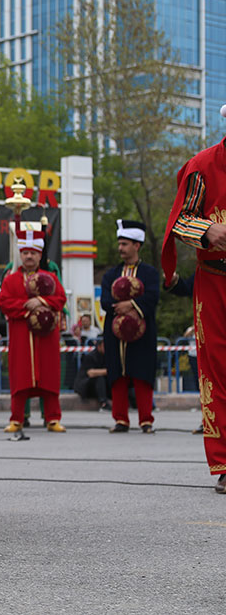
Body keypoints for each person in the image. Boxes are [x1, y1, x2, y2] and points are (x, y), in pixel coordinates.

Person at [163, 132, 226, 494]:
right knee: (216, 369)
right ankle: (224, 463)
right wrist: (207, 229)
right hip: (215, 281)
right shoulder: (201, 166)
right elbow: (179, 220)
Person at [0, 229, 68, 433]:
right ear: (20, 255)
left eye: (33, 253)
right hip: (21, 335)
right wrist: (28, 308)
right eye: (25, 252)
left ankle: (53, 418)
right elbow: (4, 303)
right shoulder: (10, 280)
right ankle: (17, 418)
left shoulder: (50, 278)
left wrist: (41, 301)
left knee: (49, 374)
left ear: (40, 255)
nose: (29, 256)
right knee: (21, 376)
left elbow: (61, 299)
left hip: (46, 337)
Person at [101, 219, 160, 434]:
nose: (120, 248)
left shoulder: (150, 273)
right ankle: (120, 419)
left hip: (143, 332)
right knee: (118, 375)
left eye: (124, 244)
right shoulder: (111, 274)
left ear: (137, 245)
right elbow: (105, 301)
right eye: (119, 244)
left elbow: (153, 297)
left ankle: (146, 419)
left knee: (142, 374)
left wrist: (133, 306)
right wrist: (121, 307)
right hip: (115, 334)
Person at [73, 337, 108, 409]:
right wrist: (107, 371)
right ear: (99, 346)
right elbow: (90, 373)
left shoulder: (106, 357)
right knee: (99, 378)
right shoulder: (90, 356)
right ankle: (103, 403)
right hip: (85, 386)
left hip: (99, 387)